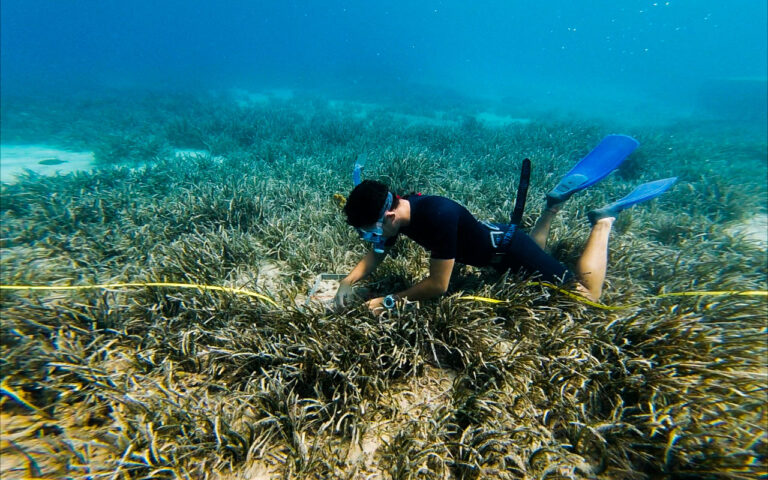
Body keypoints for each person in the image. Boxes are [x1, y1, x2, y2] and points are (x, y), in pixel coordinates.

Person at [334, 136, 676, 312]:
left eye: (371, 230)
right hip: (497, 241)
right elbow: (377, 253)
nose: (372, 238)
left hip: (508, 250)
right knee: (534, 251)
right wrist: (347, 283)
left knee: (588, 298)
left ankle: (603, 221)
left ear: (388, 215)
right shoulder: (399, 209)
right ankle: (552, 207)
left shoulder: (437, 216)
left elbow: (438, 286)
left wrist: (390, 300)